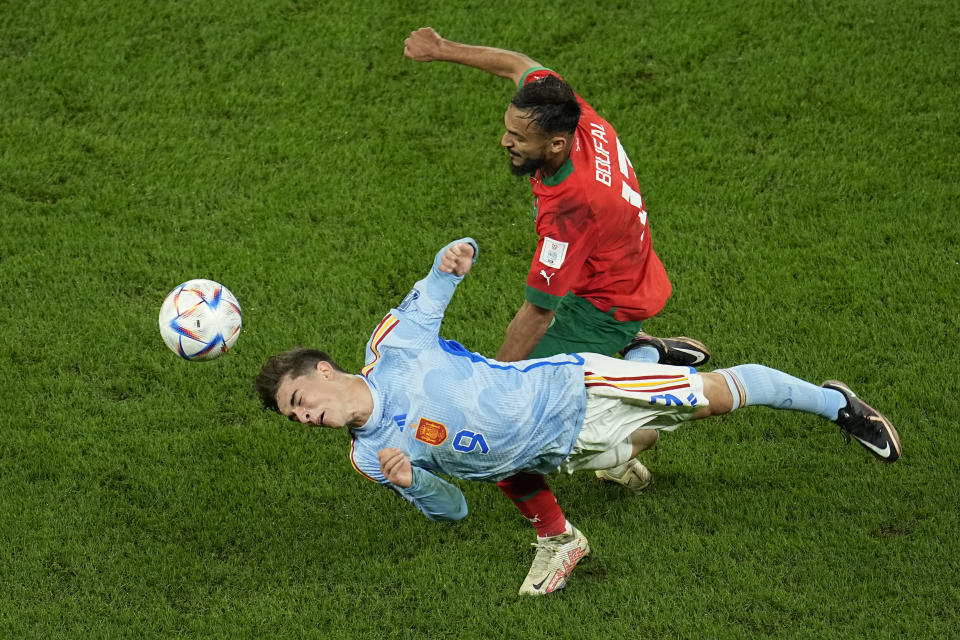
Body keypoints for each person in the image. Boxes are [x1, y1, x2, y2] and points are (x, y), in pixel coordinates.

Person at [255, 239, 902, 596]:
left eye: (298, 402)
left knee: (712, 400)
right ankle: (650, 352)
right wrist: (411, 484)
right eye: (294, 418)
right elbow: (451, 513)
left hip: (572, 388)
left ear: (323, 373)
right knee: (643, 441)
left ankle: (836, 404)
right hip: (553, 453)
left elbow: (430, 293)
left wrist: (452, 260)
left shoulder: (390, 349)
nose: (304, 418)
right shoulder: (369, 457)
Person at [402, 27, 711, 582]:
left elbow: (538, 312)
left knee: (520, 433)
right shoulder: (575, 113)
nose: (506, 142)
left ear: (557, 145)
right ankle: (635, 359)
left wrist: (492, 381)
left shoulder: (569, 209)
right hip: (626, 271)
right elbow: (519, 64)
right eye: (508, 129)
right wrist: (444, 49)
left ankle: (562, 537)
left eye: (519, 137)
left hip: (602, 303)